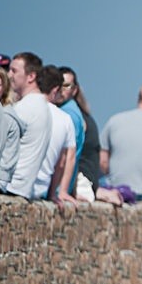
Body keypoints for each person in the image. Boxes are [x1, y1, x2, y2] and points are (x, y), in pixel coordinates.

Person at [6, 52, 52, 199]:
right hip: (25, 188)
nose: (8, 75)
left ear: (31, 76)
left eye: (14, 71)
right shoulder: (43, 106)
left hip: (11, 185)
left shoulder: (24, 108)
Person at [32, 65, 77, 206]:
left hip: (17, 184)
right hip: (42, 189)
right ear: (56, 89)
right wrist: (55, 193)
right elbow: (64, 160)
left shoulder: (22, 108)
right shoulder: (65, 119)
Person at [57, 67, 86, 195]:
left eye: (66, 86)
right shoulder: (68, 111)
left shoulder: (69, 115)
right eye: (58, 84)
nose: (61, 89)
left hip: (57, 190)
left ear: (74, 90)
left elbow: (67, 157)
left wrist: (61, 191)